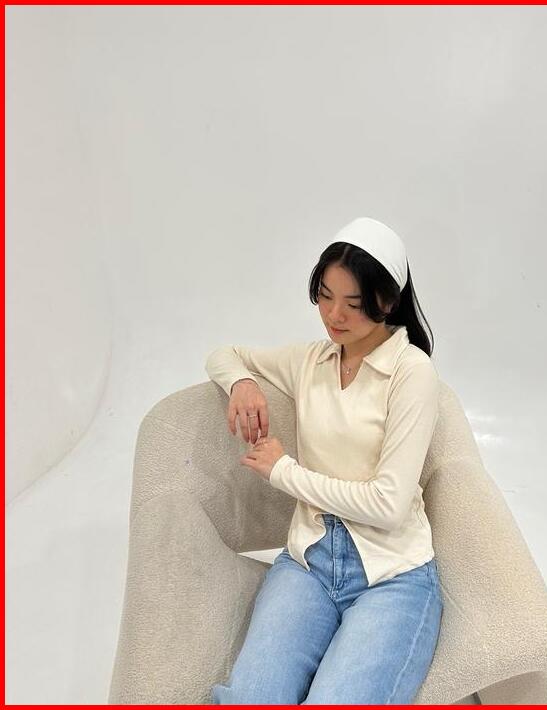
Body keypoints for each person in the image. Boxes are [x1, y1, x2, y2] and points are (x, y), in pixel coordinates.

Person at [205, 216, 443, 704]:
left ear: (387, 301)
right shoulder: (311, 361)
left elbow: (388, 505)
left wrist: (284, 472)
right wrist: (242, 383)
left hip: (392, 575)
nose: (334, 314)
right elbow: (223, 354)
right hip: (308, 563)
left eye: (353, 304)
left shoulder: (412, 372)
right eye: (325, 295)